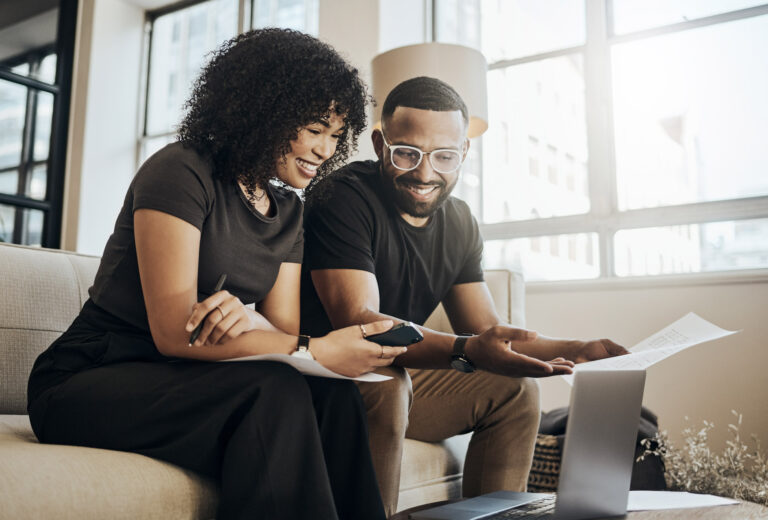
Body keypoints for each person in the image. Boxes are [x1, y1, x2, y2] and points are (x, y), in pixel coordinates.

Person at [27, 29, 403, 520]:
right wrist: (317, 347)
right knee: (274, 393)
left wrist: (247, 315)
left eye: (335, 135)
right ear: (266, 108)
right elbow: (170, 332)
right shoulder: (182, 170)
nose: (325, 150)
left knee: (332, 395)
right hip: (89, 376)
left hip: (189, 378)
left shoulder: (289, 210)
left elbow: (282, 330)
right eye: (314, 129)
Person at [300, 76, 629, 515]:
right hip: (322, 379)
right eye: (407, 153)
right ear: (380, 144)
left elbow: (488, 332)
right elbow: (364, 324)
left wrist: (577, 349)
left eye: (444, 157)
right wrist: (468, 350)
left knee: (517, 391)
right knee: (387, 382)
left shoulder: (459, 222)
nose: (425, 172)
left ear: (465, 153)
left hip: (394, 377)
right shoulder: (342, 198)